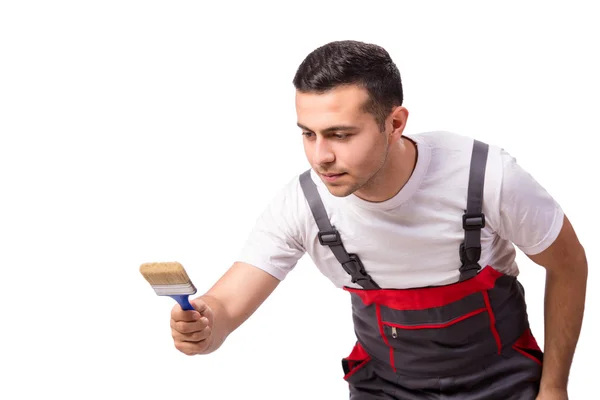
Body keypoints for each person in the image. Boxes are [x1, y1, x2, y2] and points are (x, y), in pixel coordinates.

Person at [168, 40, 587, 399]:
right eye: (308, 134)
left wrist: (554, 387)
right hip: (385, 386)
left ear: (395, 123)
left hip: (503, 381)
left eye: (340, 134)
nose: (321, 157)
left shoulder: (485, 178)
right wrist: (204, 326)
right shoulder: (303, 204)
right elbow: (224, 306)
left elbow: (568, 265)